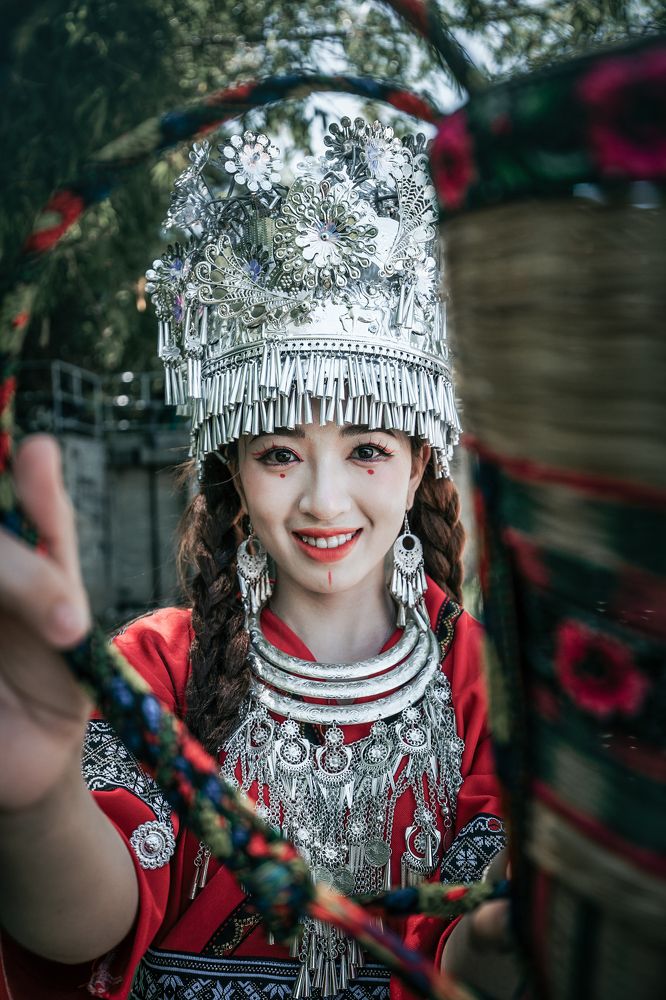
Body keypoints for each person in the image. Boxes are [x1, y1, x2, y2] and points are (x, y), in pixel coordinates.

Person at [0, 121, 516, 1000]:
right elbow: (89, 926)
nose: (322, 500)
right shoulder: (158, 666)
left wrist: (518, 926)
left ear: (421, 458)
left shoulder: (482, 682)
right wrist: (37, 799)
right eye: (280, 453)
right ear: (234, 469)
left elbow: (466, 959)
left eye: (367, 451)